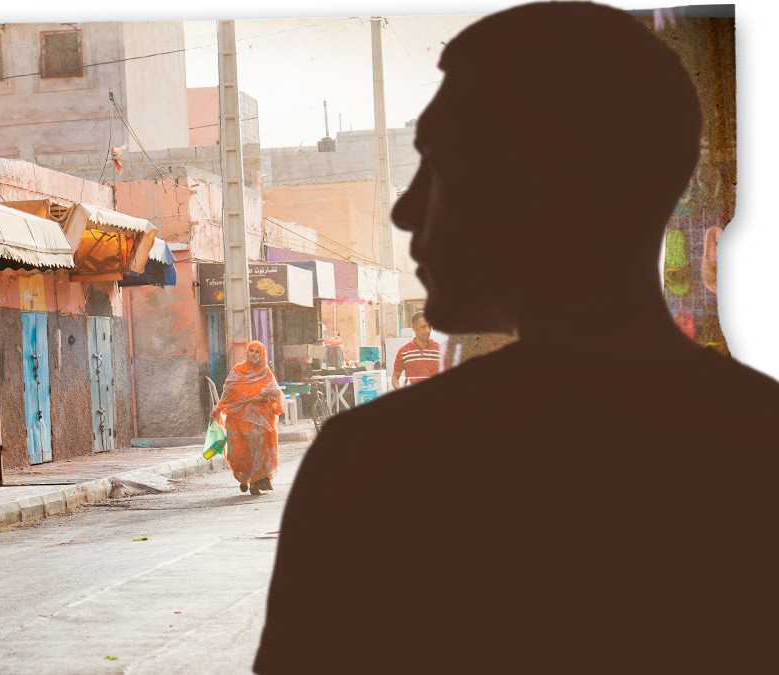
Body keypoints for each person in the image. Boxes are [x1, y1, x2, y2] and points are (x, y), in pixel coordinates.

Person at [255, 3, 779, 673]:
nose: (406, 207)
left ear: (546, 184)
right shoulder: (759, 441)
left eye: (439, 164)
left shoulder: (375, 463)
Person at [212, 340, 284, 496]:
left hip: (261, 420)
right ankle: (244, 478)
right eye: (251, 351)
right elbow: (228, 392)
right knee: (239, 452)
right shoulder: (237, 371)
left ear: (262, 354)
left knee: (260, 451)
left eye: (257, 352)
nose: (254, 354)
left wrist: (264, 399)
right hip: (238, 421)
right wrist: (219, 408)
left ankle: (256, 482)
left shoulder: (266, 372)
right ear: (247, 352)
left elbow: (276, 394)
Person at [389, 311, 441, 389]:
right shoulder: (404, 351)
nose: (428, 330)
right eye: (423, 327)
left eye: (430, 326)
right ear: (413, 327)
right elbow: (395, 377)